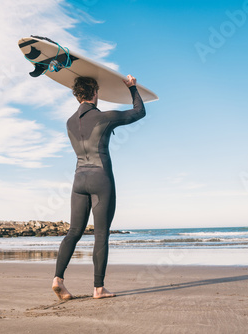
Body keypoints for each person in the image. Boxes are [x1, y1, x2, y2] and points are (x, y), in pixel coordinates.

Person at [52, 74, 146, 300]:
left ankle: (58, 279)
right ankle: (98, 288)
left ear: (77, 95)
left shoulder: (69, 122)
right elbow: (139, 111)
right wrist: (132, 88)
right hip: (100, 178)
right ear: (95, 93)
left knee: (73, 232)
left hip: (78, 180)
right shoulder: (105, 117)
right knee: (101, 234)